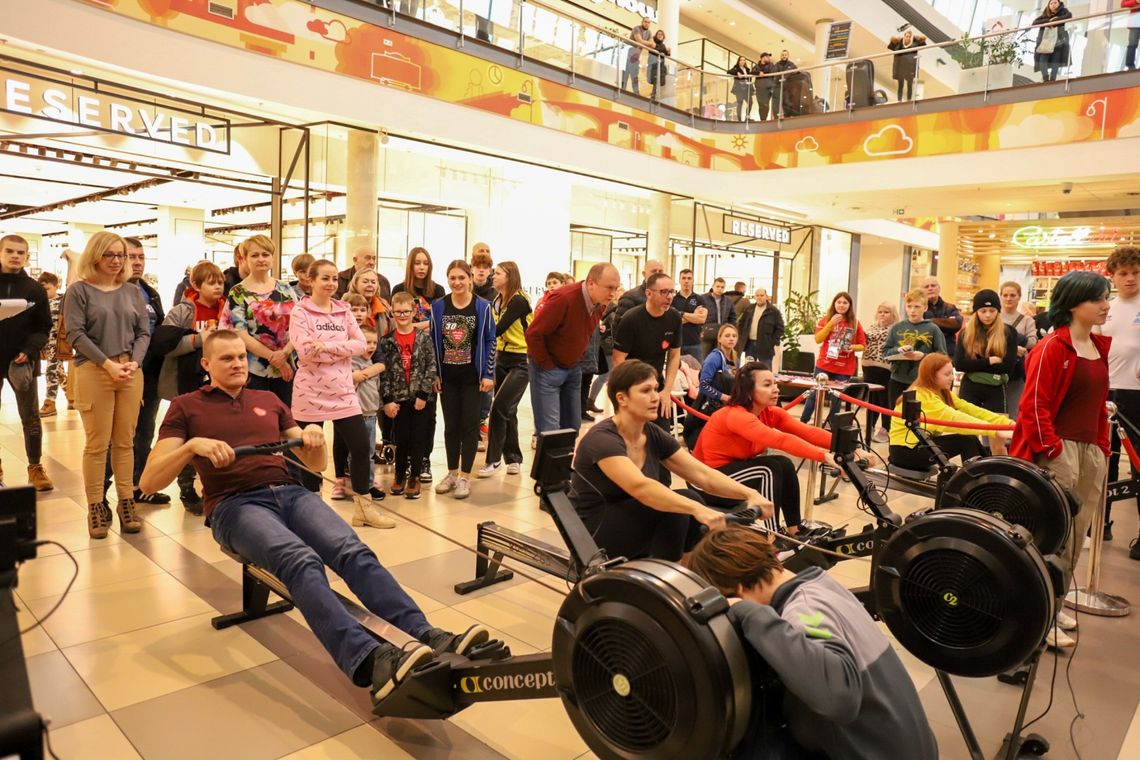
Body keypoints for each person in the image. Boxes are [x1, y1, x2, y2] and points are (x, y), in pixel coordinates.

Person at [139, 329, 492, 707]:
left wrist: (313, 440)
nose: (238, 364)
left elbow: (316, 464)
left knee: (352, 550)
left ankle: (429, 634)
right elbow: (149, 480)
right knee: (300, 561)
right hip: (234, 505)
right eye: (227, 359)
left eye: (242, 356)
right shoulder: (187, 407)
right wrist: (193, 446)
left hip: (289, 492)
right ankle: (371, 661)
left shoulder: (268, 399)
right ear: (206, 365)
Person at [684, 526, 938, 760]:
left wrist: (749, 613)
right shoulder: (821, 587)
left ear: (737, 591)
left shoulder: (804, 610)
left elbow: (838, 699)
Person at [568, 360, 772, 561]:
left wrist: (750, 494)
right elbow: (641, 488)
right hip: (593, 534)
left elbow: (701, 475)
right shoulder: (602, 439)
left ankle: (686, 573)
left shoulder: (651, 433)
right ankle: (669, 579)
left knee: (690, 498)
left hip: (632, 519)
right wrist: (697, 509)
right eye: (645, 391)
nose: (655, 397)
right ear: (622, 398)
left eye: (656, 389)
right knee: (677, 510)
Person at [1012, 271, 1111, 647]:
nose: (1105, 305)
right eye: (1097, 299)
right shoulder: (1054, 346)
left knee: (1078, 533)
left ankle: (1053, 602)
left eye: (1105, 297)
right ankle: (1038, 614)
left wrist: (1100, 446)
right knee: (1052, 535)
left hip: (1089, 450)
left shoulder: (1098, 347)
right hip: (1060, 450)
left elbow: (1098, 404)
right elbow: (1033, 405)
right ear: (1073, 304)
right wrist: (1052, 449)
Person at [695, 362, 856, 533]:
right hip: (707, 484)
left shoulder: (768, 412)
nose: (776, 389)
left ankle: (794, 531)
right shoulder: (736, 415)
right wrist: (824, 456)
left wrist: (854, 447)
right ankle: (774, 536)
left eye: (775, 383)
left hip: (730, 475)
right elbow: (781, 440)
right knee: (768, 469)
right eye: (767, 385)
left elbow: (808, 432)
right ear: (748, 392)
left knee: (783, 463)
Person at [289, 259, 391, 528]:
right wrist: (337, 346)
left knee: (359, 446)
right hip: (309, 391)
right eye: (325, 278)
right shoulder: (300, 312)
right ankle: (311, 513)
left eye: (335, 278)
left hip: (343, 390)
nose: (331, 284)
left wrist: (325, 345)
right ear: (311, 280)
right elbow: (305, 351)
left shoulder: (344, 310)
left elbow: (360, 345)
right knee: (309, 451)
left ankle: (363, 510)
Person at [65, 232, 150, 538]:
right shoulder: (79, 291)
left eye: (121, 256)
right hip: (95, 370)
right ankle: (95, 505)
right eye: (110, 255)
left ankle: (126, 501)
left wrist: (134, 363)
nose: (117, 261)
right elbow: (75, 334)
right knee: (97, 443)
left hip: (129, 370)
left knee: (125, 441)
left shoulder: (131, 291)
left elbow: (143, 331)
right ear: (95, 256)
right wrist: (108, 364)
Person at [151, 260, 226, 515]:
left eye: (220, 283)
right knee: (189, 436)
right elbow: (166, 345)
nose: (217, 288)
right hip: (187, 382)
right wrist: (197, 339)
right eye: (211, 283)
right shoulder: (183, 311)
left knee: (218, 434)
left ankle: (214, 488)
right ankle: (186, 487)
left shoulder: (226, 309)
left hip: (217, 382)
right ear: (196, 285)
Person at [526, 263, 620, 435]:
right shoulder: (564, 298)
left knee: (572, 427)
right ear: (591, 283)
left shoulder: (600, 302)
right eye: (609, 288)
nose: (613, 293)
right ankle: (550, 462)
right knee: (550, 432)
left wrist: (578, 357)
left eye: (616, 288)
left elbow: (583, 331)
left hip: (573, 367)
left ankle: (565, 462)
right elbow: (533, 334)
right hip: (548, 369)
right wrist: (547, 365)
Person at [430, 260, 496, 499]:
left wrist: (488, 373)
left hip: (472, 378)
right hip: (447, 377)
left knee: (469, 427)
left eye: (461, 278)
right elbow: (432, 340)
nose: (457, 282)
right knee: (451, 427)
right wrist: (435, 372)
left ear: (469, 279)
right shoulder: (438, 306)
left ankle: (465, 477)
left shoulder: (483, 307)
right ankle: (452, 473)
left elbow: (491, 340)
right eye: (452, 278)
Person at [890, 353, 1012, 473]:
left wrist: (1007, 423)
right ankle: (976, 481)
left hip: (921, 444)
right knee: (966, 441)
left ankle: (986, 476)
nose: (952, 378)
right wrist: (994, 430)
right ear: (932, 376)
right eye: (947, 374)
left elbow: (971, 409)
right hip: (905, 452)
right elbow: (954, 418)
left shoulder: (941, 392)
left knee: (970, 439)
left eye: (951, 373)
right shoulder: (923, 396)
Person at [0, 234, 53, 491]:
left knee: (31, 416)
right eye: (10, 251)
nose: (15, 256)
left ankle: (35, 467)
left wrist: (30, 349)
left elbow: (44, 326)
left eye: (21, 252)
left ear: (27, 256)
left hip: (23, 360)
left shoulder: (35, 289)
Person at [1097, 246, 1140, 555]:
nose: (1130, 279)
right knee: (1104, 460)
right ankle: (1102, 522)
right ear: (1112, 276)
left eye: (1136, 273)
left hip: (1137, 396)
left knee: (1138, 464)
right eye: (1123, 273)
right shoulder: (1105, 308)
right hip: (1104, 391)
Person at [120, 237, 169, 505]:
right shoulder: (113, 292)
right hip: (124, 371)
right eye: (131, 257)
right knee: (118, 437)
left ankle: (139, 485)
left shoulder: (150, 292)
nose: (137, 262)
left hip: (151, 374)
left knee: (144, 432)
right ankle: (112, 492)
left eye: (140, 257)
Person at [221, 235, 298, 406]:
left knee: (287, 422)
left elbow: (300, 325)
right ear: (245, 259)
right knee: (259, 422)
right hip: (254, 370)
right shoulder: (238, 292)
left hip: (288, 367)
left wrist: (284, 355)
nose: (261, 259)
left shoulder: (285, 288)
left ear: (272, 257)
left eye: (265, 254)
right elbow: (240, 333)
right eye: (254, 255)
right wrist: (274, 358)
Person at [391, 247, 446, 483]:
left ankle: (424, 458)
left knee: (428, 414)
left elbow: (440, 323)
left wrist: (414, 326)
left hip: (428, 357)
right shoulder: (399, 289)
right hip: (402, 358)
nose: (422, 267)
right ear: (411, 265)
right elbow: (396, 323)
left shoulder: (439, 291)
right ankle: (405, 460)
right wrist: (420, 325)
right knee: (403, 416)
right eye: (417, 263)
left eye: (426, 263)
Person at [379, 292, 437, 499]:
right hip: (398, 400)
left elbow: (431, 367)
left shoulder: (424, 338)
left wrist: (423, 394)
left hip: (421, 399)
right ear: (392, 313)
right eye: (398, 312)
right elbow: (383, 373)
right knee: (401, 438)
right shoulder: (386, 341)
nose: (402, 315)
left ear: (414, 312)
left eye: (406, 311)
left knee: (419, 438)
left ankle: (415, 477)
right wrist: (387, 400)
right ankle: (399, 474)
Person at [480, 262, 532, 477]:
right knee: (509, 410)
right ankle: (514, 458)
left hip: (521, 360)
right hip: (502, 359)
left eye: (498, 273)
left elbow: (497, 329)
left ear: (509, 277)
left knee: (499, 408)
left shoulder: (519, 300)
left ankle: (493, 460)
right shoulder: (497, 300)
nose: (493, 276)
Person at [613, 272, 682, 428]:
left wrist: (666, 391)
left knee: (662, 435)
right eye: (664, 292)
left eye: (672, 291)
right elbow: (618, 359)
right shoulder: (631, 318)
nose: (669, 296)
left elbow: (674, 355)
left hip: (657, 385)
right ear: (648, 293)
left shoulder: (674, 317)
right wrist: (628, 393)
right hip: (633, 386)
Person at [953, 290, 1018, 456]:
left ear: (998, 311)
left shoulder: (1008, 332)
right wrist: (989, 361)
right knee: (967, 439)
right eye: (983, 311)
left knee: (998, 442)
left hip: (995, 389)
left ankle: (1002, 476)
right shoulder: (966, 333)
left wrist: (975, 363)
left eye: (992, 311)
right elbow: (959, 364)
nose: (987, 315)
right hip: (970, 388)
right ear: (976, 312)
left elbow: (1007, 367)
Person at [800, 291, 865, 425]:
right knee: (814, 395)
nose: (841, 305)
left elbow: (863, 345)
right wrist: (830, 324)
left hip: (844, 368)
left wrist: (851, 347)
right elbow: (818, 339)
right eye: (839, 302)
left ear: (849, 305)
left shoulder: (855, 323)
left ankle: (831, 425)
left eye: (845, 302)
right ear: (834, 304)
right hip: (824, 364)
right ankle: (802, 422)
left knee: (836, 398)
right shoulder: (825, 320)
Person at [885, 288, 948, 410]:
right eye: (909, 306)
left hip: (922, 382)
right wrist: (898, 350)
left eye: (917, 307)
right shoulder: (897, 327)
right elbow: (885, 352)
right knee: (895, 416)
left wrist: (923, 356)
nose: (912, 310)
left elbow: (942, 357)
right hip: (897, 379)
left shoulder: (933, 329)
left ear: (925, 308)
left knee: (918, 418)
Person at [352, 325, 385, 496]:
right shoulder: (351, 363)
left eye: (374, 343)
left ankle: (369, 484)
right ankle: (357, 485)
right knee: (358, 454)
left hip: (371, 415)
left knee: (370, 453)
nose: (371, 346)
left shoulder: (372, 363)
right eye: (367, 342)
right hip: (356, 416)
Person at [999, 281, 1038, 418]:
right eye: (1005, 295)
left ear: (1019, 297)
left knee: (1014, 409)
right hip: (995, 368)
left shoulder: (1027, 320)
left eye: (1012, 295)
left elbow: (1033, 342)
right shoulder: (993, 317)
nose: (1008, 298)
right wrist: (1012, 348)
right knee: (994, 412)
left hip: (1016, 370)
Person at [862, 302, 898, 443]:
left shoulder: (895, 329)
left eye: (887, 312)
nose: (882, 314)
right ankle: (870, 426)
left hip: (885, 368)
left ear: (893, 314)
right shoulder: (871, 327)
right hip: (868, 366)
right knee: (872, 399)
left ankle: (886, 428)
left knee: (884, 400)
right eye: (880, 311)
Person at [37, 271, 66, 418]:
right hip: (46, 343)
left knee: (51, 371)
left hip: (58, 343)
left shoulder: (63, 301)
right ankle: (73, 397)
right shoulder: (40, 303)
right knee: (58, 371)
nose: (44, 292)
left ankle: (50, 402)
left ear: (56, 286)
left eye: (47, 289)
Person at [611, 258, 665, 334]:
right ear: (644, 274)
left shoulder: (665, 297)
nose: (657, 274)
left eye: (660, 271)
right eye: (654, 271)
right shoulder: (630, 297)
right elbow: (619, 327)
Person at [696, 323, 738, 416]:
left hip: (727, 405)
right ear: (719, 339)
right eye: (727, 336)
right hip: (710, 406)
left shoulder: (735, 358)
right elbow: (703, 385)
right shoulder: (714, 357)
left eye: (734, 336)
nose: (731, 338)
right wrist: (725, 397)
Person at [736, 287, 784, 367]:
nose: (759, 297)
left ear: (766, 297)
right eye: (757, 295)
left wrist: (772, 341)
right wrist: (741, 336)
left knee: (766, 368)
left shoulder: (773, 311)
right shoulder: (749, 309)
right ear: (755, 297)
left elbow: (780, 328)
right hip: (750, 345)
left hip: (765, 345)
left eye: (762, 295)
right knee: (749, 369)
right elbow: (741, 324)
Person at [921, 276, 963, 356]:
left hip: (948, 354)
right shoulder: (920, 309)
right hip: (927, 354)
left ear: (939, 288)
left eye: (933, 285)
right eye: (926, 286)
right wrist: (946, 323)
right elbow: (920, 328)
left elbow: (957, 324)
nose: (930, 288)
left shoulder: (950, 307)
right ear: (922, 291)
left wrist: (930, 321)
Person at [672, 268, 708, 360]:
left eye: (689, 278)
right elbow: (673, 321)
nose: (686, 281)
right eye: (684, 278)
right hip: (676, 344)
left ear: (693, 281)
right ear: (679, 280)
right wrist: (693, 316)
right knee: (678, 373)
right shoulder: (673, 300)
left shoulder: (699, 299)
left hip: (695, 344)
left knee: (696, 372)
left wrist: (680, 313)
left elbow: (701, 319)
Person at [1033, 0, 1073, 82]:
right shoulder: (1045, 14)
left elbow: (1069, 15)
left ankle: (1053, 79)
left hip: (1058, 40)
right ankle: (1045, 77)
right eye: (1051, 3)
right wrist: (1049, 21)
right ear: (1049, 5)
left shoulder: (1063, 12)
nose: (1053, 5)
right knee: (1042, 59)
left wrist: (1056, 19)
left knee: (1056, 60)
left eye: (1055, 3)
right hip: (1046, 41)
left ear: (1059, 4)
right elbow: (1034, 22)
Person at [348, 268, 391, 337]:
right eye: (365, 282)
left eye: (373, 282)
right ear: (355, 284)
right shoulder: (345, 305)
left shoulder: (385, 307)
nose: (370, 285)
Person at [699, 277, 734, 357]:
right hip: (707, 332)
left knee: (721, 356)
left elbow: (732, 317)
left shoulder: (728, 301)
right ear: (713, 286)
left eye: (722, 287)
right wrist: (699, 329)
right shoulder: (703, 298)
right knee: (705, 357)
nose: (720, 289)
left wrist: (732, 329)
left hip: (722, 332)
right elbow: (698, 315)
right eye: (717, 286)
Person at [887, 30, 926, 101]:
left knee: (909, 85)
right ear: (904, 36)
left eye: (909, 36)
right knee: (900, 85)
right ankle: (899, 100)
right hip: (900, 67)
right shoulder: (899, 43)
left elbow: (923, 44)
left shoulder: (915, 44)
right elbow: (890, 47)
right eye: (906, 36)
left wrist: (919, 38)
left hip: (910, 68)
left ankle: (909, 100)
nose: (907, 38)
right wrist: (893, 40)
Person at [623, 16, 653, 94]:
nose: (647, 24)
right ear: (642, 22)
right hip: (627, 55)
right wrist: (646, 43)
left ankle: (636, 93)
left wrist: (644, 43)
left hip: (636, 57)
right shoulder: (637, 28)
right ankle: (622, 90)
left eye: (648, 22)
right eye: (645, 22)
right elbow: (639, 41)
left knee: (635, 75)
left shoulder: (649, 32)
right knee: (625, 74)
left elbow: (652, 45)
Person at [751, 52, 776, 121]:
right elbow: (752, 72)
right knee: (761, 105)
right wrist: (758, 73)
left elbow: (773, 72)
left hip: (768, 87)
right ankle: (762, 119)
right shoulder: (757, 66)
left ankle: (764, 119)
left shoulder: (771, 65)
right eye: (767, 57)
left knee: (766, 104)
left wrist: (764, 73)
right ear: (763, 58)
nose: (768, 58)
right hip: (759, 87)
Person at [647, 29, 670, 101]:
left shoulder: (663, 45)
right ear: (656, 35)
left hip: (661, 66)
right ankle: (653, 97)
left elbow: (667, 54)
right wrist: (665, 50)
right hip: (654, 65)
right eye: (658, 34)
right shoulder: (652, 42)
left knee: (660, 83)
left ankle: (657, 98)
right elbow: (656, 49)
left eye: (661, 34)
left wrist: (667, 51)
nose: (660, 36)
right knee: (655, 82)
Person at [729, 56, 753, 121]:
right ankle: (739, 119)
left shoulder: (747, 69)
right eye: (741, 60)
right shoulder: (736, 68)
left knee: (750, 102)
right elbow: (729, 71)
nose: (742, 61)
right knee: (740, 103)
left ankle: (747, 117)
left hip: (747, 88)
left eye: (744, 60)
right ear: (738, 61)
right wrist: (737, 73)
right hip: (739, 88)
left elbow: (750, 78)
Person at [1125, 0, 1140, 71]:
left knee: (1132, 43)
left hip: (1135, 19)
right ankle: (1130, 65)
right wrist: (1136, 1)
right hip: (1135, 20)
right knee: (1132, 43)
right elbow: (1124, 3)